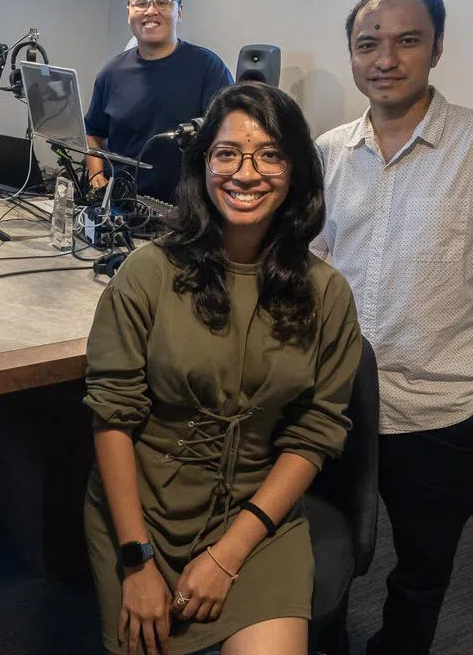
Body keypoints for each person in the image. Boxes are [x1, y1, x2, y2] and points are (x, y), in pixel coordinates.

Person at [312, 0, 473, 655]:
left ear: (437, 48)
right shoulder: (329, 150)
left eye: (407, 41)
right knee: (325, 546)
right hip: (338, 401)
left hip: (440, 410)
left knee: (422, 569)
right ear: (352, 55)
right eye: (368, 44)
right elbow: (312, 268)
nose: (385, 59)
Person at [84, 82, 362, 655]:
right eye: (228, 153)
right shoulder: (146, 273)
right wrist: (136, 559)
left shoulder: (327, 294)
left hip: (256, 516)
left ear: (295, 171)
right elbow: (113, 418)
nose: (246, 174)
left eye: (270, 155)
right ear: (203, 164)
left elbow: (315, 434)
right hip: (144, 514)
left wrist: (230, 553)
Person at [84, 0, 234, 204]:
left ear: (179, 12)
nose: (150, 11)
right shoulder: (111, 73)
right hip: (122, 206)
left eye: (163, 2)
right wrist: (96, 176)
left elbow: (229, 138)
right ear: (129, 12)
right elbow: (93, 132)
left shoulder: (209, 68)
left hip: (185, 208)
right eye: (141, 4)